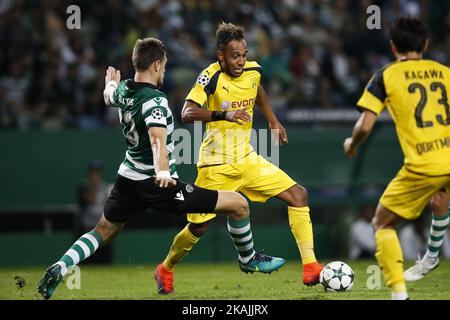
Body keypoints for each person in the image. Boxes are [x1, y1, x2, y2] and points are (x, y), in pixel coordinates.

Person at [36, 37, 281, 299]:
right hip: (158, 184)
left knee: (102, 231)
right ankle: (248, 258)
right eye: (163, 66)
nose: (164, 71)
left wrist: (110, 83)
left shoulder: (124, 90)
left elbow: (108, 96)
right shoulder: (156, 101)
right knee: (239, 205)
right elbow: (156, 139)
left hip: (127, 179)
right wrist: (163, 171)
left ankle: (61, 266)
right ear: (155, 65)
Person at [154, 22, 323, 295]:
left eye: (244, 54)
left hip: (247, 158)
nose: (241, 61)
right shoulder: (210, 76)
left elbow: (257, 90)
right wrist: (224, 115)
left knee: (299, 195)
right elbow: (186, 112)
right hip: (215, 164)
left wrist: (273, 120)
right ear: (221, 55)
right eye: (235, 56)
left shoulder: (253, 70)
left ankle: (310, 267)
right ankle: (165, 268)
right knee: (199, 228)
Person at [343, 17, 450, 300]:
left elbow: (365, 125)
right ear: (426, 44)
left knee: (382, 224)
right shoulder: (445, 72)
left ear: (392, 47)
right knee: (440, 199)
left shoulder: (386, 76)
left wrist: (352, 144)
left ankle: (399, 295)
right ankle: (430, 258)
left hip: (424, 164)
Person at [404, 191, 449, 280]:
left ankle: (431, 259)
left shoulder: (424, 231)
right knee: (438, 201)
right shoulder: (407, 233)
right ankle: (431, 258)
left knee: (438, 201)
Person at [75, 160, 113, 263]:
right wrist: (95, 185)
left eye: (97, 172)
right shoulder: (83, 187)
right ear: (89, 173)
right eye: (93, 172)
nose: (95, 175)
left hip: (102, 231)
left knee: (104, 262)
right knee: (87, 263)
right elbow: (90, 199)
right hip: (87, 230)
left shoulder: (106, 188)